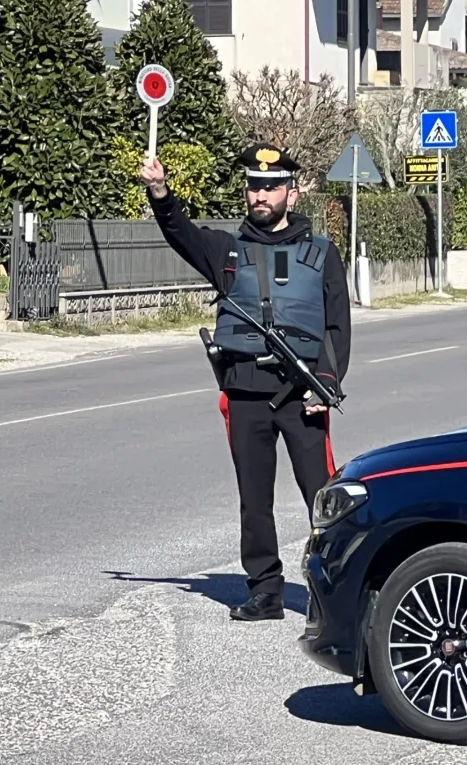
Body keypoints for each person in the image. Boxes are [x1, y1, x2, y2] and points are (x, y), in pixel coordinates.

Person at [140, 142, 352, 622]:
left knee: (324, 498)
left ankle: (336, 591)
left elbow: (337, 329)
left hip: (302, 397)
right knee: (254, 500)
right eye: (255, 186)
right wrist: (160, 192)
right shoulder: (226, 250)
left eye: (272, 187)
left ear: (291, 195)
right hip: (245, 392)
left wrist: (324, 386)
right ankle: (266, 591)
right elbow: (180, 233)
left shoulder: (322, 253)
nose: (261, 195)